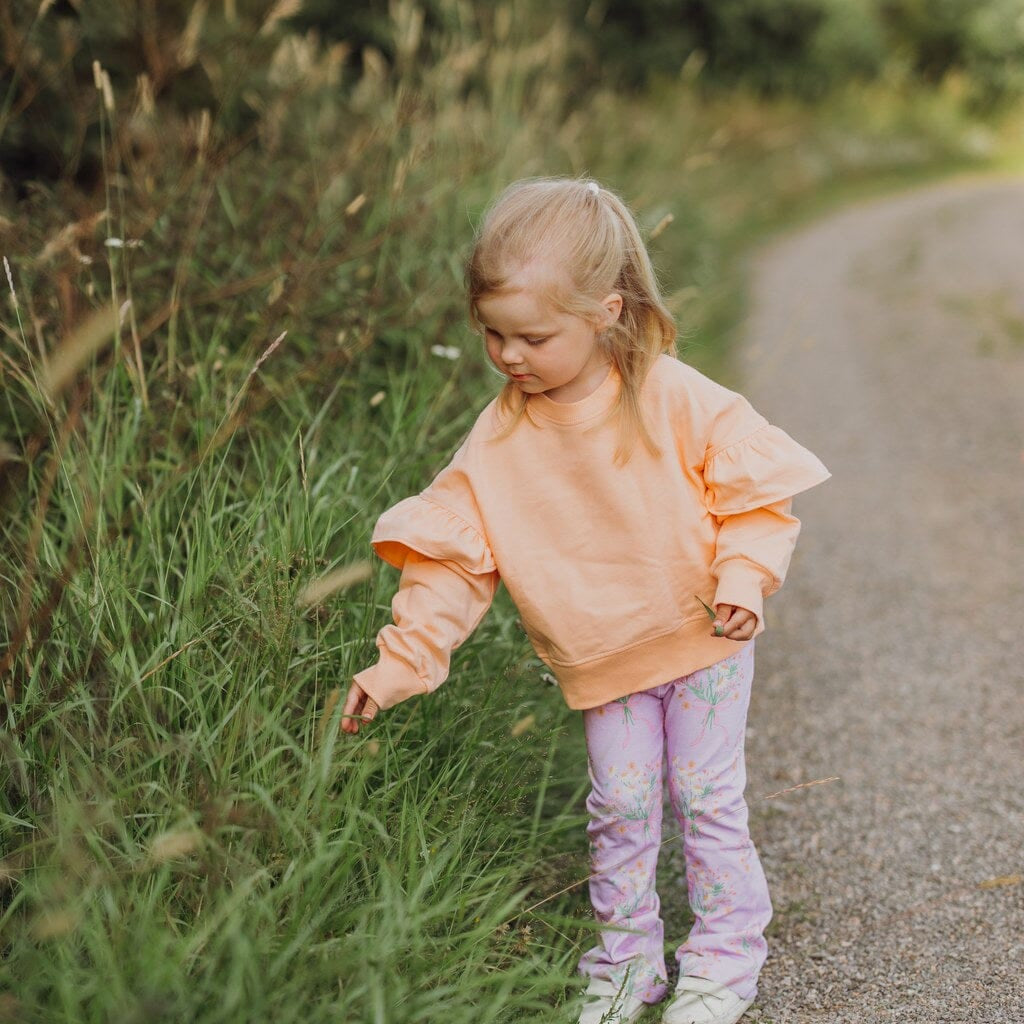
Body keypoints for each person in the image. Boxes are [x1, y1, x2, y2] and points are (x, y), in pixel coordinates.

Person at [342, 177, 830, 1024]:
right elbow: (451, 560)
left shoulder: (672, 395)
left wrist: (744, 578)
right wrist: (401, 664)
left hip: (704, 636)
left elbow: (752, 493)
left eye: (532, 336)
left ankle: (723, 954)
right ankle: (625, 958)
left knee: (706, 795)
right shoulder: (497, 442)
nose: (509, 356)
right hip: (603, 659)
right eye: (492, 334)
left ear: (605, 311)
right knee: (623, 802)